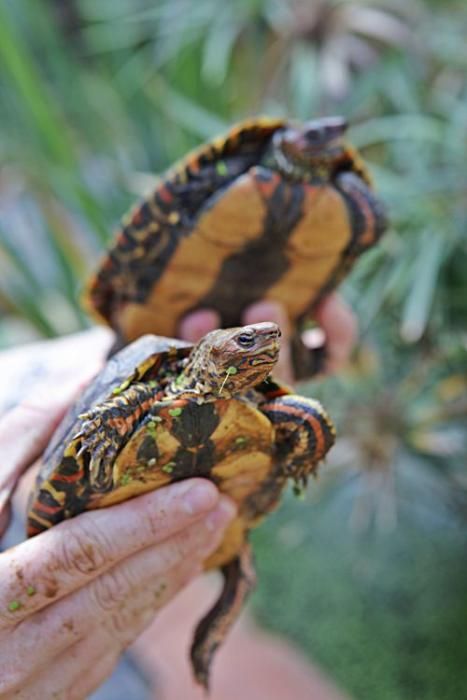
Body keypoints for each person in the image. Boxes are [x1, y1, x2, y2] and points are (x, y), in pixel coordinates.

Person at [0, 295, 356, 699]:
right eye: (245, 342)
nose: (267, 340)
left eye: (267, 342)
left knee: (235, 569)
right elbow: (112, 397)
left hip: (198, 516)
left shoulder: (255, 397)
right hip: (75, 521)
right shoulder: (155, 390)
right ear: (209, 355)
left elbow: (304, 416)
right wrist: (105, 424)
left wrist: (306, 448)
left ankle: (205, 652)